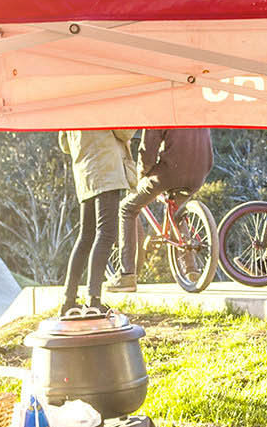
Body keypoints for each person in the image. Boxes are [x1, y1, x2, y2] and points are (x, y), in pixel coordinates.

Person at [109, 128, 213, 293]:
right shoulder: (197, 112)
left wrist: (141, 175)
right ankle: (191, 270)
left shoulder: (160, 111)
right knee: (177, 212)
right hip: (199, 173)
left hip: (169, 173)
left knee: (126, 209)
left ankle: (126, 275)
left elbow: (147, 151)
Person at [61, 129, 136, 311]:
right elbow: (124, 132)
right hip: (106, 169)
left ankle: (68, 300)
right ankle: (93, 300)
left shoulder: (68, 104)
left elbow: (64, 145)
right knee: (106, 233)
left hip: (85, 174)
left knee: (86, 237)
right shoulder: (101, 102)